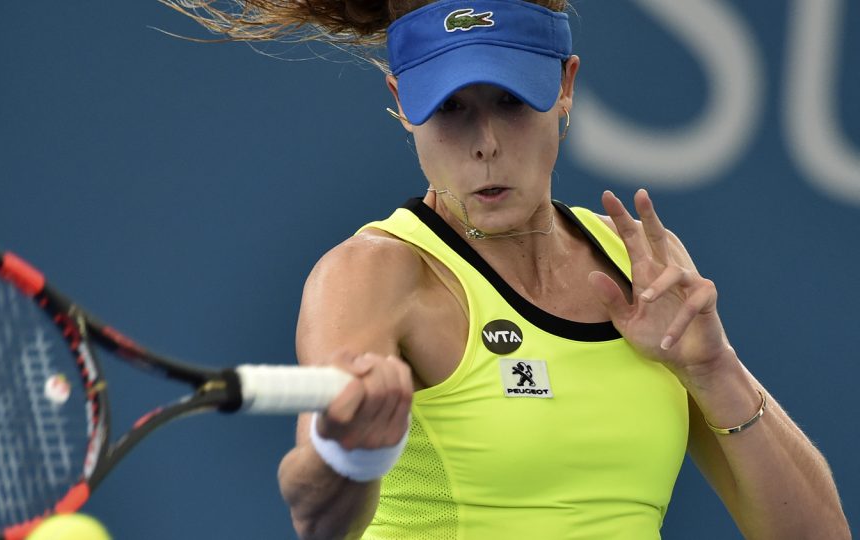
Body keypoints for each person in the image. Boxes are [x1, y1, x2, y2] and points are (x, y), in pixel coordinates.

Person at [169, 0, 851, 537]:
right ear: (403, 103)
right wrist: (351, 451)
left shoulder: (641, 260)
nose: (486, 145)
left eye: (510, 102)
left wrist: (712, 368)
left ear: (565, 87)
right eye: (452, 110)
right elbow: (317, 520)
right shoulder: (372, 274)